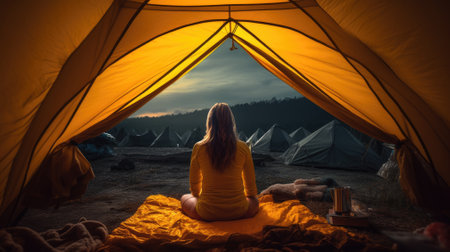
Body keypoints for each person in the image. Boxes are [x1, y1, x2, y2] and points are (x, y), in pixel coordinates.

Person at [180, 103, 259, 221]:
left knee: (184, 197)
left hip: (206, 213)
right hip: (239, 211)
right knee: (255, 201)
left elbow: (195, 189)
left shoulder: (199, 147)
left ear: (210, 122)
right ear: (231, 123)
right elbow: (251, 190)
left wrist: (206, 199)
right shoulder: (243, 148)